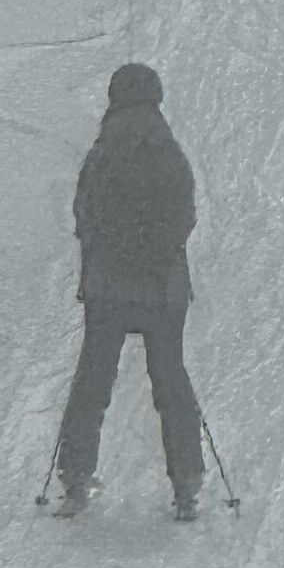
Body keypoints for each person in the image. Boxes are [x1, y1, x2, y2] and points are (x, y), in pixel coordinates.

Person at [49, 62, 208, 518]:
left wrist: (105, 255)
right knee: (170, 379)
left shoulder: (102, 154)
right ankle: (186, 483)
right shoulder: (169, 154)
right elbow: (184, 217)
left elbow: (84, 214)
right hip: (162, 288)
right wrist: (158, 254)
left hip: (108, 288)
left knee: (94, 380)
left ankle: (76, 477)